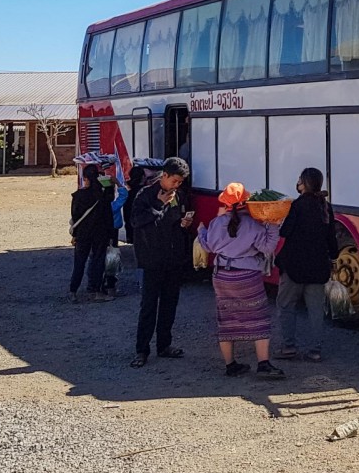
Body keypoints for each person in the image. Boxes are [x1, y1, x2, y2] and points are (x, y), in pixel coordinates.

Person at [197, 182, 285, 379]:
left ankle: (231, 365)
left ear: (225, 203)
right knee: (258, 318)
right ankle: (263, 364)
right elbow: (268, 248)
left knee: (226, 320)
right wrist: (273, 225)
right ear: (247, 202)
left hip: (221, 276)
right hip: (248, 275)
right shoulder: (254, 224)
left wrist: (201, 231)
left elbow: (208, 245)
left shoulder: (216, 223)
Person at [130, 157, 193, 368]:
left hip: (173, 259)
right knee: (148, 306)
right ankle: (142, 350)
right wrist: (159, 204)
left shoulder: (180, 195)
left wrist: (184, 222)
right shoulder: (145, 195)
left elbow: (176, 219)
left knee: (169, 304)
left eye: (180, 182)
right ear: (164, 175)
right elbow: (137, 222)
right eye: (174, 181)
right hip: (151, 259)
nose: (177, 185)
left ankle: (164, 345)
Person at [273, 168, 340, 363]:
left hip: (294, 266)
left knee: (286, 306)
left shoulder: (297, 205)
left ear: (304, 183)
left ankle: (288, 347)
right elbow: (331, 239)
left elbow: (285, 232)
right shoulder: (325, 206)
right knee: (316, 311)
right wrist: (333, 258)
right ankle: (315, 350)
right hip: (318, 267)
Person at [69, 163, 116, 302]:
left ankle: (73, 291)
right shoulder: (103, 196)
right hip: (100, 233)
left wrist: (75, 235)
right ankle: (94, 291)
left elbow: (75, 216)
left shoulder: (78, 195)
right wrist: (109, 184)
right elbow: (109, 212)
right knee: (97, 261)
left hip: (83, 233)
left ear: (85, 178)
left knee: (79, 263)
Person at [122, 166, 146, 244]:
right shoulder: (145, 192)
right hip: (142, 228)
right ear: (143, 177)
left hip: (130, 225)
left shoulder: (128, 191)